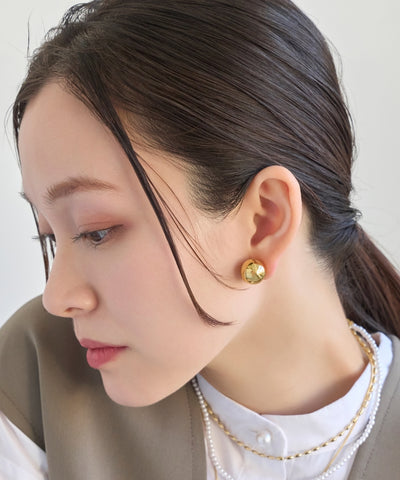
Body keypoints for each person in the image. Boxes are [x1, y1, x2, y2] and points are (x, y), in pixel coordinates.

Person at [1, 0, 400, 478]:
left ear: (265, 221)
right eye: (49, 237)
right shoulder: (38, 374)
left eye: (96, 231)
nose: (58, 297)